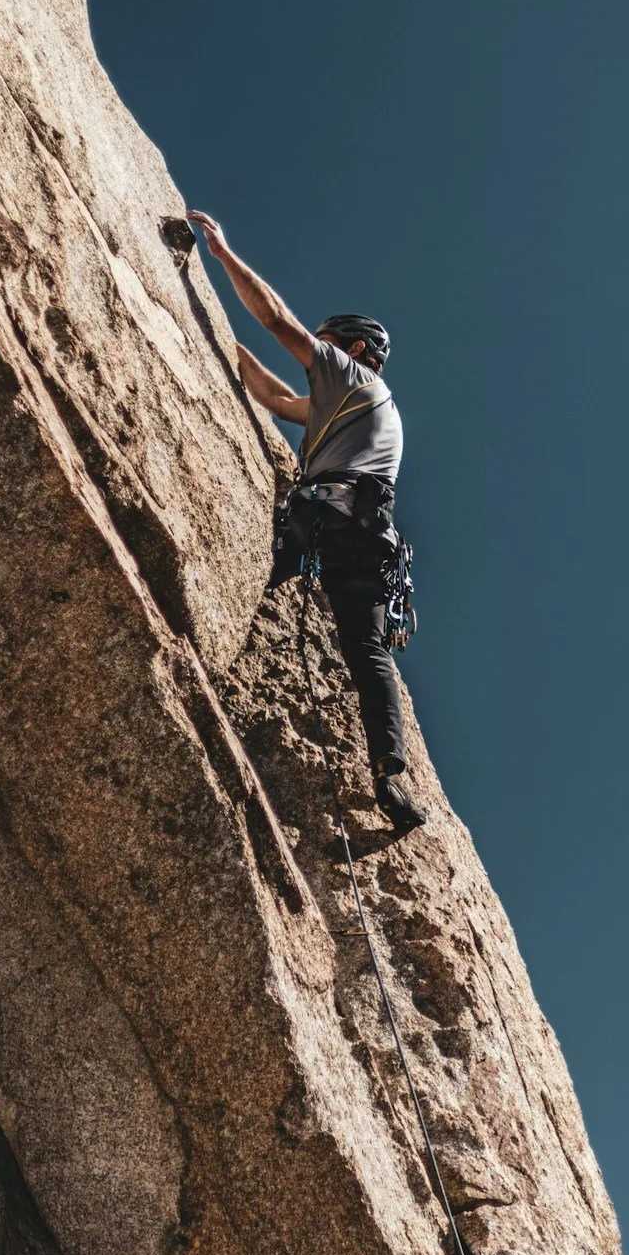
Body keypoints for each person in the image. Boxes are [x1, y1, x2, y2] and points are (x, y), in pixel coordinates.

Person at [185, 210, 427, 835]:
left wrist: (221, 254)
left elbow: (276, 322)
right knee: (367, 649)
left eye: (328, 343)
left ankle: (194, 652)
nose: (315, 356)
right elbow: (271, 396)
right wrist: (215, 332)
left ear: (353, 348)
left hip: (326, 517)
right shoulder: (355, 408)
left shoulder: (355, 377)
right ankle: (388, 775)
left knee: (259, 571)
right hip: (369, 542)